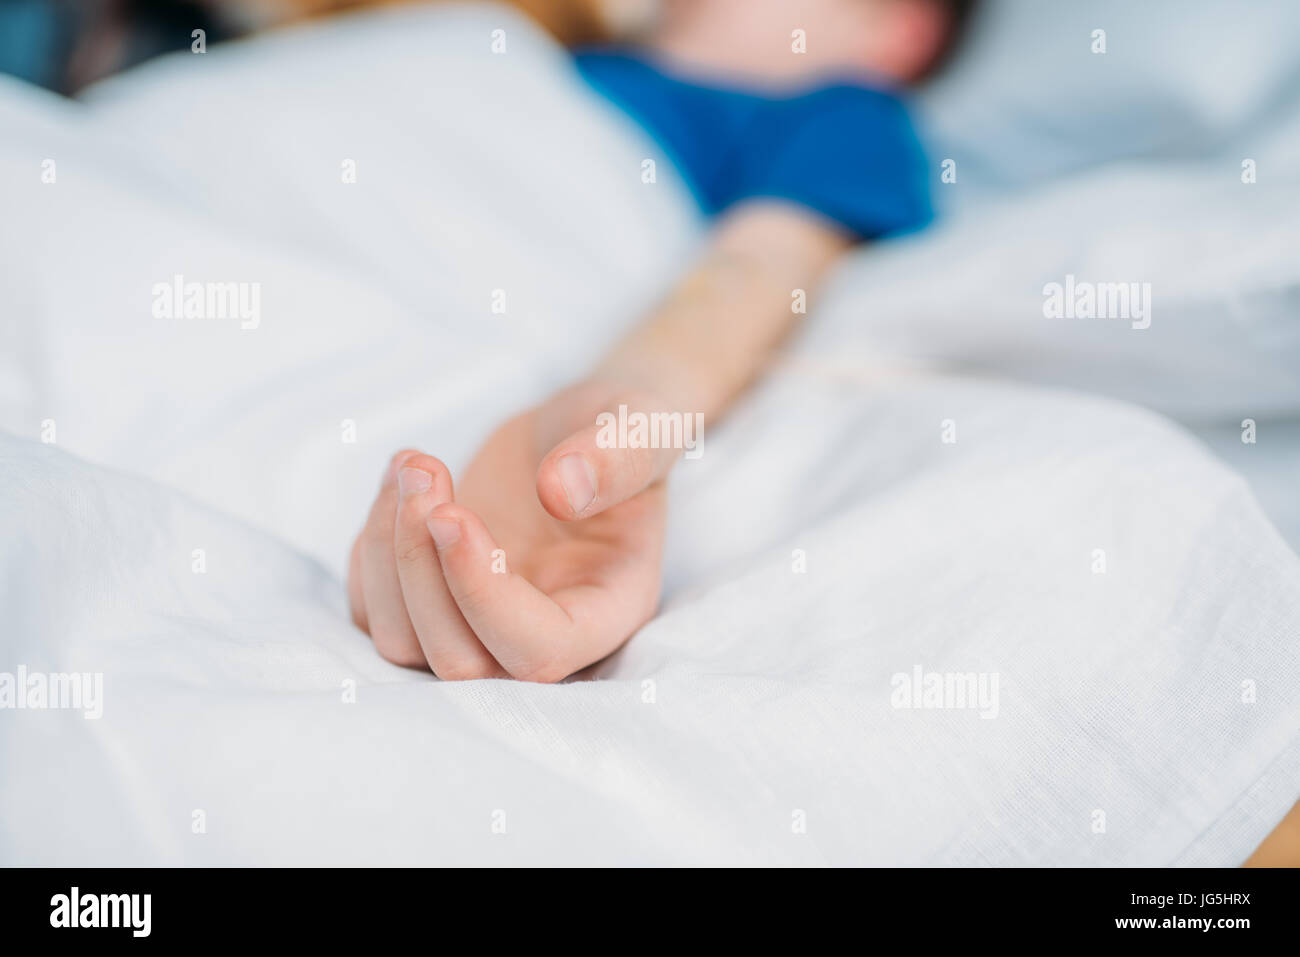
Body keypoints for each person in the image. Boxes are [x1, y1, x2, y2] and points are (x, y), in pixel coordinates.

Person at [347, 0, 976, 682]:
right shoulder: (546, 49)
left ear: (899, 31)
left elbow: (757, 272)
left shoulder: (842, 112)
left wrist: (617, 425)